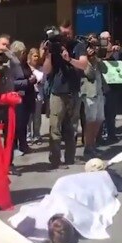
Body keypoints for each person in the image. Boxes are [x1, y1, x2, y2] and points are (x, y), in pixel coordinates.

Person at [41, 20, 87, 169]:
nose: (66, 36)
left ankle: (69, 158)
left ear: (72, 32)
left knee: (71, 127)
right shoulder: (54, 47)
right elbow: (46, 71)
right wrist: (48, 55)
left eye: (68, 33)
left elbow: (84, 65)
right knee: (55, 126)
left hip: (73, 91)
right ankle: (55, 160)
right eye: (63, 33)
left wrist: (69, 59)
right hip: (57, 91)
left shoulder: (78, 45)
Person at [0, 34, 23, 176]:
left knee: (10, 135)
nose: (3, 47)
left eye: (6, 45)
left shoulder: (11, 60)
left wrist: (7, 53)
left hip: (8, 103)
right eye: (2, 44)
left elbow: (18, 67)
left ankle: (9, 163)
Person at [80, 37, 106, 159]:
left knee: (99, 119)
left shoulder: (97, 58)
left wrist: (96, 59)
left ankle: (92, 144)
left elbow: (105, 70)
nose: (95, 48)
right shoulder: (84, 59)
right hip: (90, 93)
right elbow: (89, 74)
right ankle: (87, 148)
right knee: (90, 122)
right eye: (92, 45)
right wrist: (90, 59)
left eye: (96, 45)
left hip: (99, 92)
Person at [98, 31, 121, 144]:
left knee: (111, 112)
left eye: (109, 39)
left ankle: (112, 134)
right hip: (101, 86)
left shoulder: (115, 52)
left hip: (112, 86)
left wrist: (114, 51)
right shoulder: (97, 52)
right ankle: (100, 135)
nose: (108, 41)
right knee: (101, 113)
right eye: (106, 39)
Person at [26, 48, 45, 144]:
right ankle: (28, 136)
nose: (36, 58)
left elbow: (44, 81)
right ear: (30, 56)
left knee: (37, 117)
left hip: (38, 95)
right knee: (28, 117)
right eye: (34, 56)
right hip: (29, 95)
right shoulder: (26, 68)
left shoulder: (41, 68)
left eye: (37, 56)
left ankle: (37, 135)